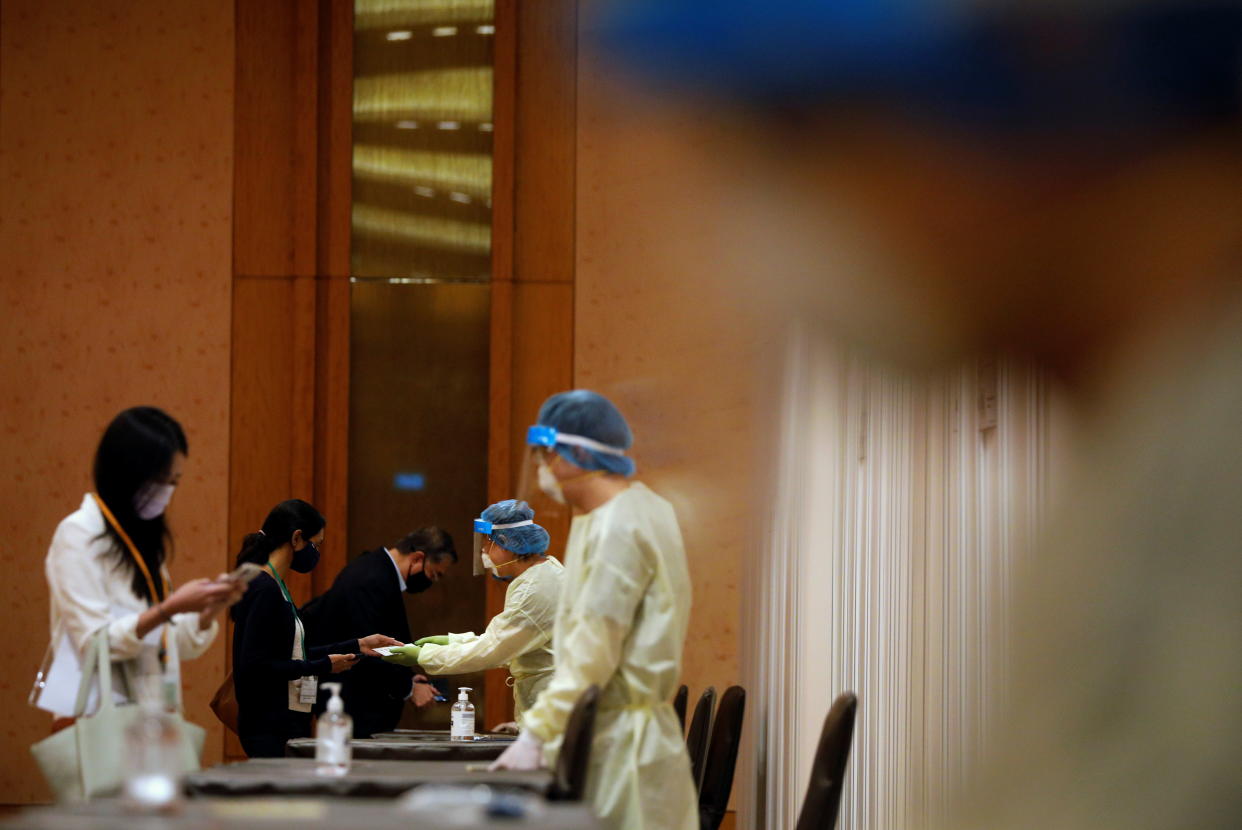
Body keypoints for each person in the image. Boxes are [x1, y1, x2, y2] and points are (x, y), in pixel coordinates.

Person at [592, 2, 1242, 827]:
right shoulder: (1150, 446)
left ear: (1051, 60)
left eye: (794, 136)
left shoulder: (1212, 480)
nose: (762, 221)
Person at [490, 391, 697, 830]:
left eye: (548, 454)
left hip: (621, 749)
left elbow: (592, 655)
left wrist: (538, 731)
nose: (543, 468)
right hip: (624, 738)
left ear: (579, 453)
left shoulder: (617, 528)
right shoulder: (638, 509)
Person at [40, 407, 244, 727]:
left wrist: (205, 612)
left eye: (174, 481)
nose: (167, 492)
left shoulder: (141, 542)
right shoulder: (78, 533)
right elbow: (96, 643)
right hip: (98, 719)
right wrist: (171, 607)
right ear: (126, 472)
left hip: (152, 718)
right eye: (161, 480)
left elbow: (170, 642)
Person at [229, 499, 400, 757]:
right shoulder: (264, 589)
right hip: (267, 727)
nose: (316, 553)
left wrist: (358, 645)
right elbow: (257, 667)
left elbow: (297, 653)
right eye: (315, 544)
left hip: (284, 724)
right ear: (297, 538)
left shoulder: (277, 587)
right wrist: (324, 666)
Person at [383, 500, 563, 723]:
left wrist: (424, 656)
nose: (484, 551)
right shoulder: (544, 575)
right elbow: (507, 640)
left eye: (489, 543)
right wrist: (452, 642)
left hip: (551, 708)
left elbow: (495, 649)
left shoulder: (535, 590)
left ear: (506, 543)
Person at [301, 526, 457, 737]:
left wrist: (408, 679)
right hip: (354, 706)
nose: (432, 582)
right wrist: (408, 688)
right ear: (417, 558)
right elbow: (371, 649)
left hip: (359, 704)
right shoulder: (372, 579)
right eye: (433, 574)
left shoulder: (376, 570)